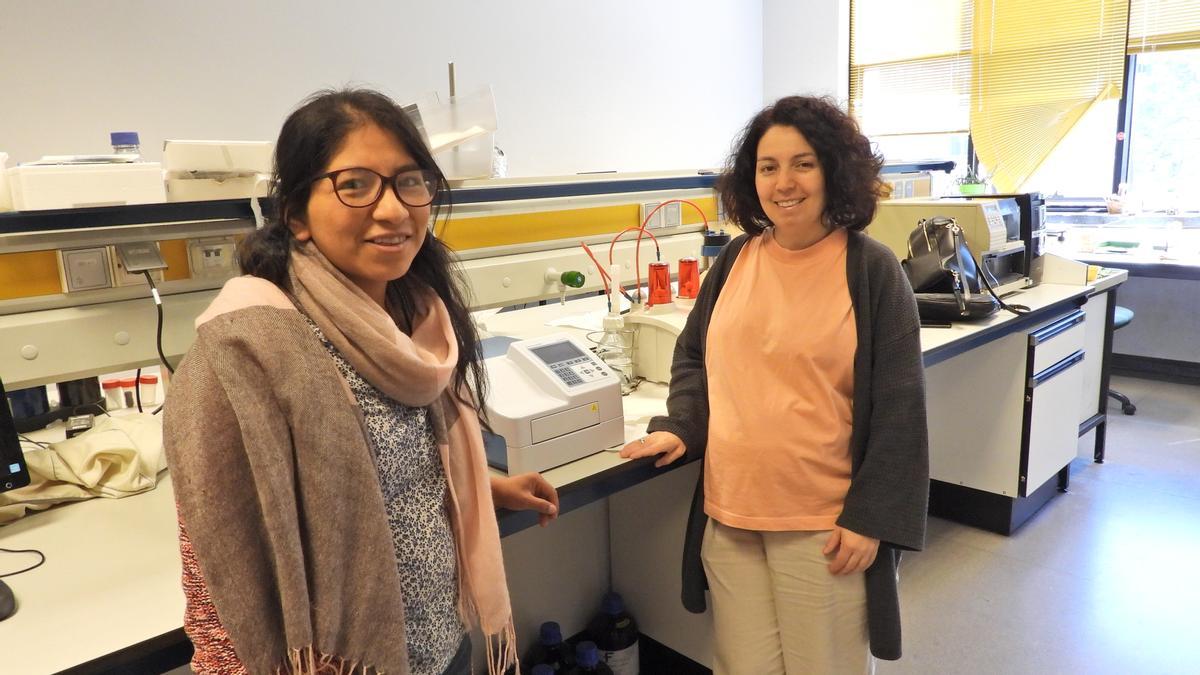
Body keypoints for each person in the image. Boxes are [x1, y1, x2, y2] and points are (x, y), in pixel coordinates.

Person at [163, 88, 559, 675]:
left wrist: (483, 487)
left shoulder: (416, 320)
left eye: (410, 181)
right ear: (296, 214)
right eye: (355, 185)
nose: (395, 209)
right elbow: (218, 557)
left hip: (442, 642)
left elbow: (377, 473)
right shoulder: (247, 351)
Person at [619, 95, 928, 673]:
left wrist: (871, 517)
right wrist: (682, 425)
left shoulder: (871, 271)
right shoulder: (734, 260)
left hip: (824, 527)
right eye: (768, 167)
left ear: (834, 170)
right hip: (730, 515)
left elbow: (900, 409)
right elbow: (694, 358)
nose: (784, 182)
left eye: (803, 163)